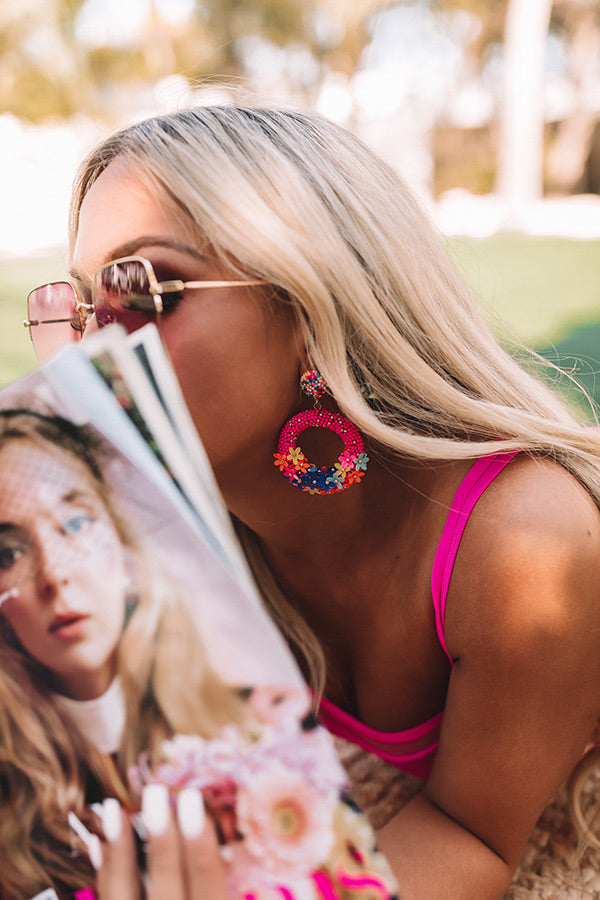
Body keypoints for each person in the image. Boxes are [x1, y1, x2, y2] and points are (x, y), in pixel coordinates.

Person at [24, 105, 600, 900]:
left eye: (139, 288)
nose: (91, 350)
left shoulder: (525, 543)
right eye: (78, 305)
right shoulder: (129, 534)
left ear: (308, 301)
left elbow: (471, 833)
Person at [0, 409, 246, 899]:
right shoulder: (14, 819)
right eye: (8, 553)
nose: (54, 575)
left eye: (75, 522)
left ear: (122, 539)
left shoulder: (249, 714)